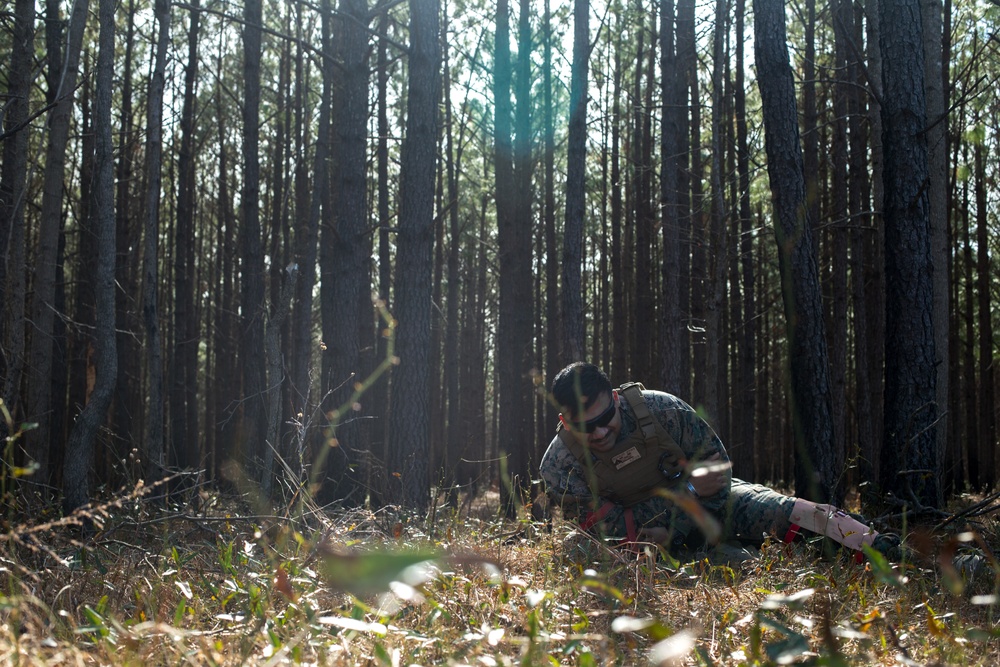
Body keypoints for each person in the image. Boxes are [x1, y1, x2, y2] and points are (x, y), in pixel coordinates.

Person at [539, 362, 900, 564]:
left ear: (616, 399)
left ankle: (893, 553)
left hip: (711, 507)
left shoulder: (661, 410)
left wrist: (680, 514)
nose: (600, 433)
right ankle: (730, 555)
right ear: (565, 422)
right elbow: (606, 531)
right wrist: (685, 498)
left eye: (605, 419)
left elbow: (718, 474)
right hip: (645, 548)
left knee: (801, 514)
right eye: (586, 427)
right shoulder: (559, 466)